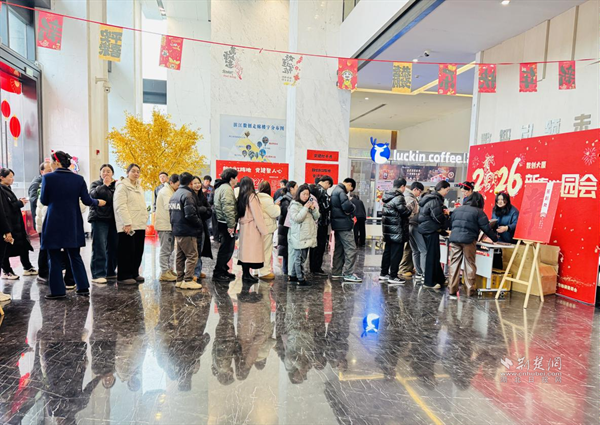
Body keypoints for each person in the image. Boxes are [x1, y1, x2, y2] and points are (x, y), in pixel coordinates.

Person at [40, 151, 105, 299]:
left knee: (54, 257)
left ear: (56, 162)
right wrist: (98, 202)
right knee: (75, 255)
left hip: (54, 221)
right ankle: (83, 287)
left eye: (51, 162)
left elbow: (44, 200)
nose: (50, 164)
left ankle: (58, 291)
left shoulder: (48, 178)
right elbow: (87, 200)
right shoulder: (78, 179)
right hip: (72, 221)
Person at [448, 192, 498, 298]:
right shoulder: (478, 212)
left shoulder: (458, 209)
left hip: (454, 239)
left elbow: (451, 223)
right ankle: (469, 290)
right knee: (469, 263)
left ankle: (452, 288)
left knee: (454, 263)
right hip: (468, 240)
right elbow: (486, 228)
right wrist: (495, 238)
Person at [113, 164, 148, 285]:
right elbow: (120, 205)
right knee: (127, 251)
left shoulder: (139, 187)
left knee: (138, 250)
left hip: (139, 223)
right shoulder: (122, 186)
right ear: (127, 172)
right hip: (127, 225)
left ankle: (134, 273)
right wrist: (127, 222)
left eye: (138, 171)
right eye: (133, 171)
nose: (136, 173)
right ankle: (124, 275)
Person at [168, 172, 203, 289]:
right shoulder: (188, 195)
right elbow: (190, 215)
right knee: (192, 255)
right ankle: (188, 280)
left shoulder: (175, 194)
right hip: (187, 230)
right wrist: (199, 224)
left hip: (177, 229)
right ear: (191, 183)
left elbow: (171, 213)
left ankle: (179, 279)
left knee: (180, 256)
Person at [0, 168, 36, 279]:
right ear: (2, 177)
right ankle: (7, 271)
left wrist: (19, 202)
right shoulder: (2, 190)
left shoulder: (7, 189)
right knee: (6, 249)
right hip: (8, 225)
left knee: (23, 245)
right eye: (10, 177)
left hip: (16, 224)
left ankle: (27, 267)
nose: (12, 179)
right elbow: (6, 209)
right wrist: (19, 203)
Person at [88, 164, 118, 284]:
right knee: (99, 246)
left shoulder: (116, 185)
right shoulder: (95, 184)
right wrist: (104, 186)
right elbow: (92, 196)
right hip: (99, 218)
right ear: (100, 173)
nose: (106, 173)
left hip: (113, 219)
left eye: (108, 171)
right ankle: (98, 273)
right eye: (103, 171)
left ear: (112, 173)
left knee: (113, 246)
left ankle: (110, 271)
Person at [418, 180, 451, 289]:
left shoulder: (431, 198)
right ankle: (429, 282)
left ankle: (440, 279)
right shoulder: (434, 200)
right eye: (447, 190)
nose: (447, 192)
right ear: (441, 188)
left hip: (428, 229)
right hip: (430, 230)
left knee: (435, 255)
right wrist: (446, 216)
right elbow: (437, 217)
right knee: (432, 256)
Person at [236, 177, 268, 282]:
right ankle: (246, 275)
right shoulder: (252, 197)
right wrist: (263, 230)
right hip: (252, 228)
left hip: (244, 227)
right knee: (251, 252)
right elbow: (257, 215)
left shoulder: (241, 197)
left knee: (245, 253)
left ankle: (245, 274)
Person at [379, 178, 411, 285]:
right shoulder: (399, 197)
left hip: (388, 231)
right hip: (397, 231)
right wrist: (410, 208)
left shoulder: (387, 196)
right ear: (402, 186)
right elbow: (405, 212)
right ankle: (393, 276)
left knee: (387, 252)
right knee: (396, 254)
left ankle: (383, 273)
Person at [330, 178, 361, 283]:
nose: (349, 192)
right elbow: (347, 207)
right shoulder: (341, 192)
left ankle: (336, 272)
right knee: (351, 249)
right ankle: (348, 273)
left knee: (339, 249)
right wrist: (353, 207)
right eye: (350, 189)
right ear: (349, 184)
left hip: (337, 225)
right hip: (344, 225)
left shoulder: (335, 190)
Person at [288, 184, 320, 286]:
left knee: (301, 257)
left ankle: (293, 275)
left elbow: (317, 217)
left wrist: (313, 208)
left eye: (307, 194)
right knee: (300, 259)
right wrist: (305, 208)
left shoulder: (308, 205)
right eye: (304, 194)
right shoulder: (294, 205)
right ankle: (301, 279)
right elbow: (297, 218)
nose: (306, 196)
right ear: (299, 194)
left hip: (307, 236)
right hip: (299, 236)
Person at [213, 168, 239, 281]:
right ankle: (218, 272)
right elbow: (228, 208)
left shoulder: (220, 187)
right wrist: (231, 225)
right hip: (226, 223)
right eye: (236, 177)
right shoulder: (227, 189)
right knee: (226, 249)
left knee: (225, 247)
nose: (237, 180)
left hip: (222, 221)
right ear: (231, 178)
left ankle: (223, 269)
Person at [155, 174, 180, 282]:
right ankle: (164, 272)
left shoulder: (170, 191)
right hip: (165, 225)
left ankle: (168, 270)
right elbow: (169, 207)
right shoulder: (166, 192)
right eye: (177, 185)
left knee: (170, 249)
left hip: (168, 225)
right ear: (171, 183)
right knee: (165, 250)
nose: (178, 187)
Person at [256, 181, 280, 280]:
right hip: (267, 228)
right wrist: (277, 205)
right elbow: (275, 213)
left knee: (258, 250)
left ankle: (256, 270)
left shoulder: (256, 197)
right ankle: (264, 272)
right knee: (266, 251)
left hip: (258, 228)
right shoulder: (267, 199)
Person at [308, 175, 332, 276]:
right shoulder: (322, 192)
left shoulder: (312, 190)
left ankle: (312, 267)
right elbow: (326, 207)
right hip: (322, 222)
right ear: (327, 182)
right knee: (320, 245)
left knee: (313, 246)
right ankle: (317, 268)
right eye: (329, 186)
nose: (328, 188)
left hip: (313, 222)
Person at [191, 176, 213, 281]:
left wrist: (202, 210)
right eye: (195, 183)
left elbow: (209, 210)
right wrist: (203, 210)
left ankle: (198, 271)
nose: (197, 185)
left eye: (198, 183)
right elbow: (192, 211)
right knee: (194, 250)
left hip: (202, 226)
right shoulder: (189, 196)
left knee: (200, 249)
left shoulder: (202, 196)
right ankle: (194, 272)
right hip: (192, 227)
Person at [405, 182, 426, 283]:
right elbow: (408, 214)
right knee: (423, 250)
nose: (419, 194)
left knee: (415, 251)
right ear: (415, 189)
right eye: (420, 191)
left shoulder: (406, 197)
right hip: (414, 225)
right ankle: (424, 274)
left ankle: (418, 272)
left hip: (408, 226)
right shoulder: (411, 199)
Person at [277, 181, 297, 276]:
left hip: (286, 227)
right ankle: (286, 270)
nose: (297, 189)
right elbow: (285, 214)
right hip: (286, 228)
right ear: (291, 189)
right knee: (287, 250)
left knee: (288, 250)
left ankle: (288, 269)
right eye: (296, 187)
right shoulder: (286, 200)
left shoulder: (289, 199)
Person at [28, 161, 52, 231]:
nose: (52, 173)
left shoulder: (49, 182)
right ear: (42, 172)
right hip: (40, 218)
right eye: (49, 171)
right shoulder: (36, 183)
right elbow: (33, 199)